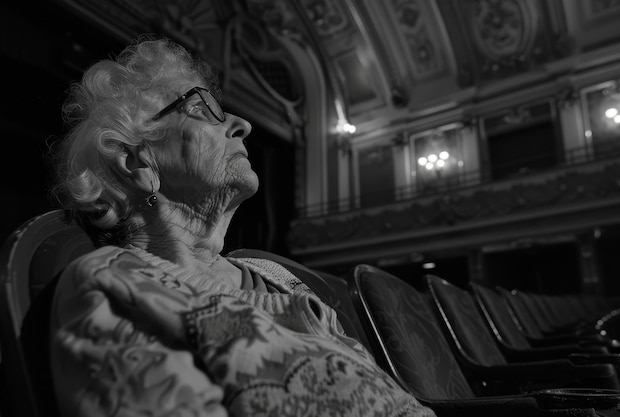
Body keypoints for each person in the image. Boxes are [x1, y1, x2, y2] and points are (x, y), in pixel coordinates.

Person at [46, 35, 435, 417]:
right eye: (201, 108)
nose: (242, 124)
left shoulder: (273, 274)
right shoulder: (114, 284)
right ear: (137, 164)